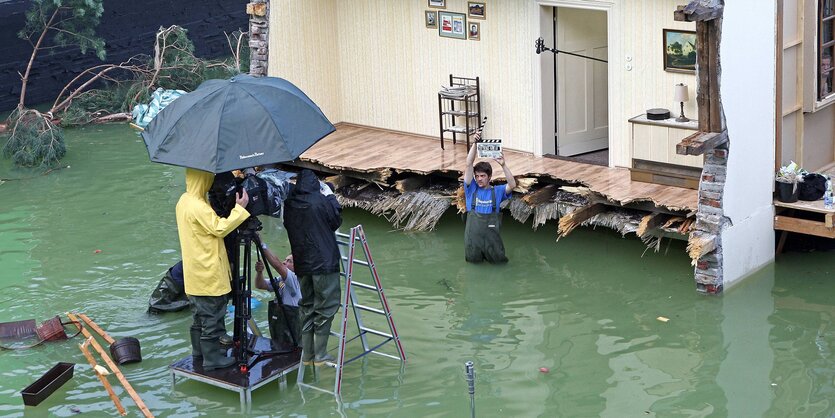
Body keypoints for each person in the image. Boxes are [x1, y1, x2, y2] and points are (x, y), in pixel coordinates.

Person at [176, 168, 249, 371]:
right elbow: (219, 228)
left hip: (194, 273)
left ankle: (199, 353)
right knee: (213, 318)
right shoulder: (199, 206)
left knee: (199, 318)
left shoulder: (183, 200)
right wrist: (240, 209)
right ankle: (212, 360)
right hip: (207, 273)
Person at [283, 169, 342, 366]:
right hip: (324, 263)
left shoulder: (289, 203)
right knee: (326, 307)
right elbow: (335, 220)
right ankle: (321, 354)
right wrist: (331, 196)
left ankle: (307, 354)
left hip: (302, 264)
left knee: (306, 307)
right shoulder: (321, 201)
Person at [463, 138, 516, 263]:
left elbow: (512, 184)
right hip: (473, 241)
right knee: (474, 265)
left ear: (490, 177)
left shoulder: (497, 191)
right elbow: (468, 163)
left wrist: (503, 165)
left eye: (482, 176)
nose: (479, 179)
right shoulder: (471, 189)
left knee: (499, 265)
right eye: (477, 176)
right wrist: (475, 143)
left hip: (492, 241)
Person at [254, 241, 302, 347]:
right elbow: (260, 285)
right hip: (280, 324)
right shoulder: (281, 280)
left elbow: (278, 265)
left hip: (292, 328)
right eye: (285, 260)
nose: (284, 262)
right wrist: (259, 272)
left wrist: (262, 244)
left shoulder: (295, 280)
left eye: (289, 261)